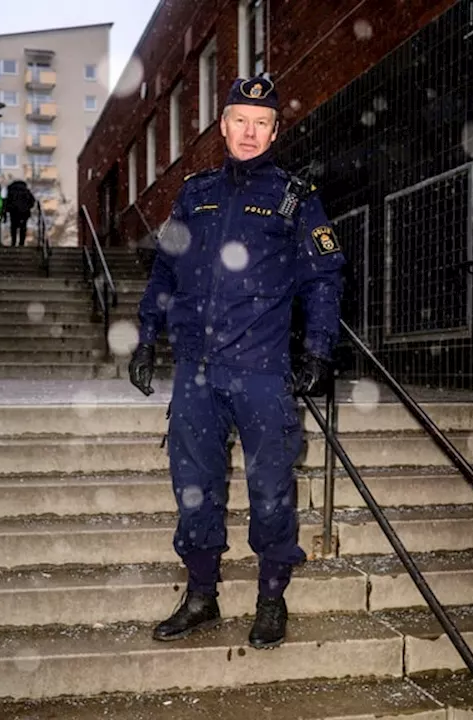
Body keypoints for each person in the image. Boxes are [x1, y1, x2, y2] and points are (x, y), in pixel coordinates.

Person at [128, 76, 345, 649]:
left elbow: (325, 276)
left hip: (261, 372)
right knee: (194, 486)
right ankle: (201, 595)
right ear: (222, 126)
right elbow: (165, 271)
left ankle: (271, 598)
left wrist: (319, 348)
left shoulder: (296, 197)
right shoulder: (193, 193)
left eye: (261, 123)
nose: (249, 132)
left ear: (275, 131)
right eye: (239, 120)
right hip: (196, 373)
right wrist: (147, 335)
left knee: (272, 489)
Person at [6, 179, 36, 247]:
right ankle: (21, 243)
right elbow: (32, 201)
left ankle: (13, 242)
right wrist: (27, 207)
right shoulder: (26, 191)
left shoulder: (11, 191)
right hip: (24, 213)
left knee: (14, 227)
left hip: (14, 213)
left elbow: (7, 202)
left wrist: (8, 210)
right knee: (23, 227)